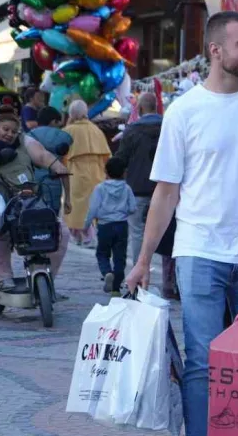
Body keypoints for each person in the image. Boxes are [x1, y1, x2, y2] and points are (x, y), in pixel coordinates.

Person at [125, 11, 238, 436]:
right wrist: (143, 258)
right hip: (198, 253)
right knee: (201, 364)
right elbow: (166, 193)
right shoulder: (184, 112)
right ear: (215, 50)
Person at [0, 106, 71, 293]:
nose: (9, 134)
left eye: (14, 131)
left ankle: (45, 273)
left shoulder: (25, 144)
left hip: (25, 202)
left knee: (59, 231)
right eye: (5, 130)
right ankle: (0, 278)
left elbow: (43, 156)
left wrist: (56, 166)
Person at [114, 91, 178, 298]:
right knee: (172, 235)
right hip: (168, 189)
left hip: (139, 189)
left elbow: (120, 159)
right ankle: (171, 282)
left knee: (138, 234)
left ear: (140, 108)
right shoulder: (168, 127)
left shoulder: (132, 131)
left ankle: (140, 277)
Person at [63, 100, 111, 247]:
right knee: (94, 204)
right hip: (96, 172)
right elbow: (107, 156)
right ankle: (88, 235)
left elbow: (61, 155)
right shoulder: (96, 130)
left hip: (76, 171)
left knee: (77, 206)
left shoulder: (68, 131)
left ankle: (83, 236)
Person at [86, 156, 136, 293]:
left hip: (104, 226)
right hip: (121, 225)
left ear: (106, 172)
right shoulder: (127, 188)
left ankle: (107, 272)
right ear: (124, 172)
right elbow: (133, 208)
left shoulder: (99, 188)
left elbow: (93, 209)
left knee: (102, 253)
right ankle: (116, 287)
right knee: (120, 256)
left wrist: (86, 224)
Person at [29, 107, 73, 215]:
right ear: (54, 121)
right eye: (59, 123)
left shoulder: (28, 137)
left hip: (31, 185)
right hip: (53, 186)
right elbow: (63, 170)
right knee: (51, 220)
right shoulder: (61, 138)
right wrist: (67, 198)